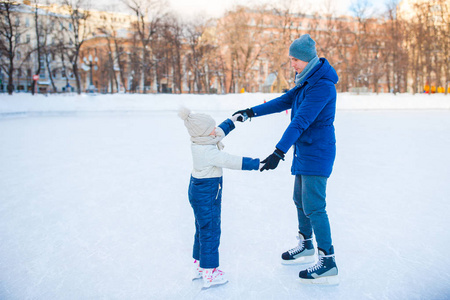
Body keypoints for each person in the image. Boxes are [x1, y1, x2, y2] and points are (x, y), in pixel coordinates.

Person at [233, 34, 339, 285]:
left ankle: (328, 262)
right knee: (299, 200)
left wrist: (278, 152)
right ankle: (306, 246)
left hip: (318, 150)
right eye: (290, 59)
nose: (291, 63)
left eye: (295, 59)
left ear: (306, 59)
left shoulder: (322, 85)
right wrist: (250, 112)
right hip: (304, 149)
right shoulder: (306, 80)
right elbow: (283, 102)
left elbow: (301, 120)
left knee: (314, 205)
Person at [178, 107, 260, 289]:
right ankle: (209, 271)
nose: (215, 131)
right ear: (205, 134)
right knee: (211, 231)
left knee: (202, 229)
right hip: (207, 194)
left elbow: (218, 133)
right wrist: (257, 164)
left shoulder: (201, 140)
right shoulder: (207, 151)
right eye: (212, 129)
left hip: (199, 191)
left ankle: (199, 266)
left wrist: (232, 120)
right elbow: (230, 160)